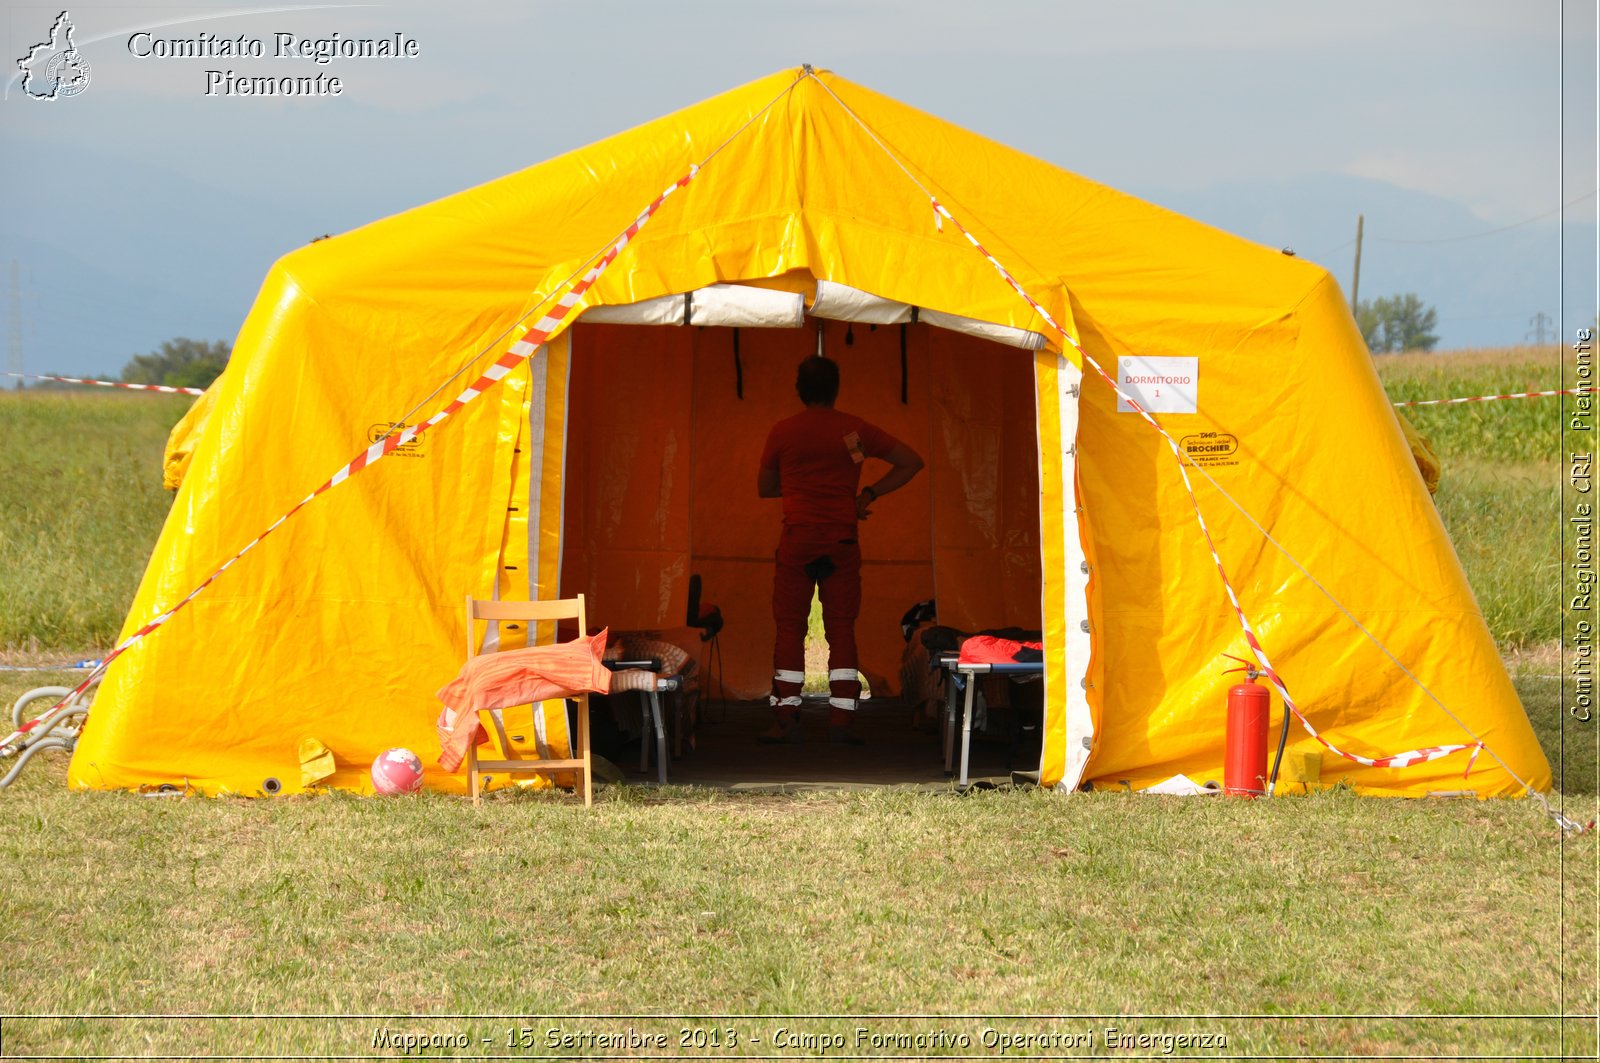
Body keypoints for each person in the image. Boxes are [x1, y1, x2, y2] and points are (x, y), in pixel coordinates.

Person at [756, 355, 924, 745]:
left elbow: (764, 488)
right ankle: (841, 723)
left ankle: (786, 721)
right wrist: (866, 493)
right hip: (841, 541)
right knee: (841, 628)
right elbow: (911, 462)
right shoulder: (855, 430)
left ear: (800, 390)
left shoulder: (783, 431)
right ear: (835, 390)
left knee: (790, 628)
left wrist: (800, 488)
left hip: (798, 541)